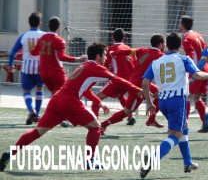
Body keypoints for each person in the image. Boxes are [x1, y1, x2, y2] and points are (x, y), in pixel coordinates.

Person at [0, 42, 143, 171]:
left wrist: (98, 102)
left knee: (38, 131)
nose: (106, 58)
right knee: (95, 127)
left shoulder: (83, 66)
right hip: (69, 101)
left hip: (56, 100)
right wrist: (137, 89)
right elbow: (117, 80)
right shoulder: (96, 68)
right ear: (99, 56)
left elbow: (85, 89)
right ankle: (90, 160)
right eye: (105, 55)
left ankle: (10, 152)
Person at [140, 32, 208, 178]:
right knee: (175, 135)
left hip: (163, 102)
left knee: (183, 128)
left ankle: (187, 162)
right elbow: (197, 75)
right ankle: (152, 159)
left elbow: (145, 83)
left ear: (166, 45)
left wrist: (148, 103)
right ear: (180, 46)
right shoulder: (183, 59)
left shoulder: (156, 62)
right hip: (177, 101)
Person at [100, 34, 166, 134]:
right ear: (161, 44)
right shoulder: (161, 56)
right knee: (128, 111)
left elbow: (128, 51)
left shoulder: (143, 50)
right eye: (164, 43)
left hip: (139, 81)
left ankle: (151, 120)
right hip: (138, 85)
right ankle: (103, 124)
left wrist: (115, 53)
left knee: (161, 96)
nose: (165, 45)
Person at [30, 16, 87, 95]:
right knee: (68, 92)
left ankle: (53, 107)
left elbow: (33, 52)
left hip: (43, 72)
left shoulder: (42, 38)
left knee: (55, 94)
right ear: (59, 27)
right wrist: (78, 58)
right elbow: (61, 57)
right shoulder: (59, 40)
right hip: (55, 72)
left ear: (48, 26)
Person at [7, 12, 46, 125]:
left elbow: (13, 52)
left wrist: (10, 65)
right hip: (40, 67)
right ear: (40, 23)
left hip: (27, 68)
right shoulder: (44, 35)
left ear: (29, 23)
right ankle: (37, 114)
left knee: (26, 91)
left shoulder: (24, 36)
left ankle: (31, 111)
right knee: (40, 89)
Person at [92, 28, 136, 125]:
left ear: (112, 37)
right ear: (124, 38)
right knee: (120, 95)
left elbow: (105, 66)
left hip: (118, 80)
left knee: (96, 100)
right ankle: (131, 116)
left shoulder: (110, 50)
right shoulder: (129, 49)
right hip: (130, 81)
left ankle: (96, 125)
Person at [179, 15, 208, 132]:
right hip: (205, 69)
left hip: (196, 71)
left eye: (180, 23)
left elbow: (190, 56)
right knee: (197, 97)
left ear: (182, 25)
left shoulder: (187, 38)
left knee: (186, 97)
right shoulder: (198, 35)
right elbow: (206, 51)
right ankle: (205, 122)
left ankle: (183, 125)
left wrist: (189, 72)